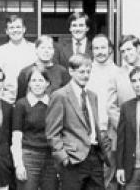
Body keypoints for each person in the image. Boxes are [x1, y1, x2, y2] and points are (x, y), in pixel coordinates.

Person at [45, 54, 110, 190]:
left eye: (88, 72)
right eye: (81, 72)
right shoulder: (60, 96)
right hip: (73, 159)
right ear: (71, 71)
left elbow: (93, 126)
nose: (85, 75)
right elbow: (52, 133)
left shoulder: (92, 96)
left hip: (94, 156)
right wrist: (63, 157)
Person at [11, 68, 58, 190]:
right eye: (34, 80)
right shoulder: (21, 104)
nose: (37, 84)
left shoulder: (53, 103)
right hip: (29, 157)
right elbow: (16, 137)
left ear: (47, 83)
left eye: (41, 80)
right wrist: (19, 165)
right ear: (29, 83)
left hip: (51, 158)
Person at [87, 34, 120, 189]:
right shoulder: (85, 71)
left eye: (103, 48)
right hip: (87, 133)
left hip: (108, 132)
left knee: (109, 177)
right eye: (96, 48)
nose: (99, 51)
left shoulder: (119, 73)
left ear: (110, 50)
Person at [0, 15, 37, 103]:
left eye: (18, 27)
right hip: (6, 100)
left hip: (31, 99)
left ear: (24, 29)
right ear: (6, 31)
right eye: (11, 28)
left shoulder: (34, 50)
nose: (15, 30)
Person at [16, 35, 71, 101]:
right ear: (36, 50)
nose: (46, 51)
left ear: (53, 51)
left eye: (49, 48)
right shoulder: (25, 72)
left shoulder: (62, 72)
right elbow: (20, 99)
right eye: (42, 48)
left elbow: (68, 98)